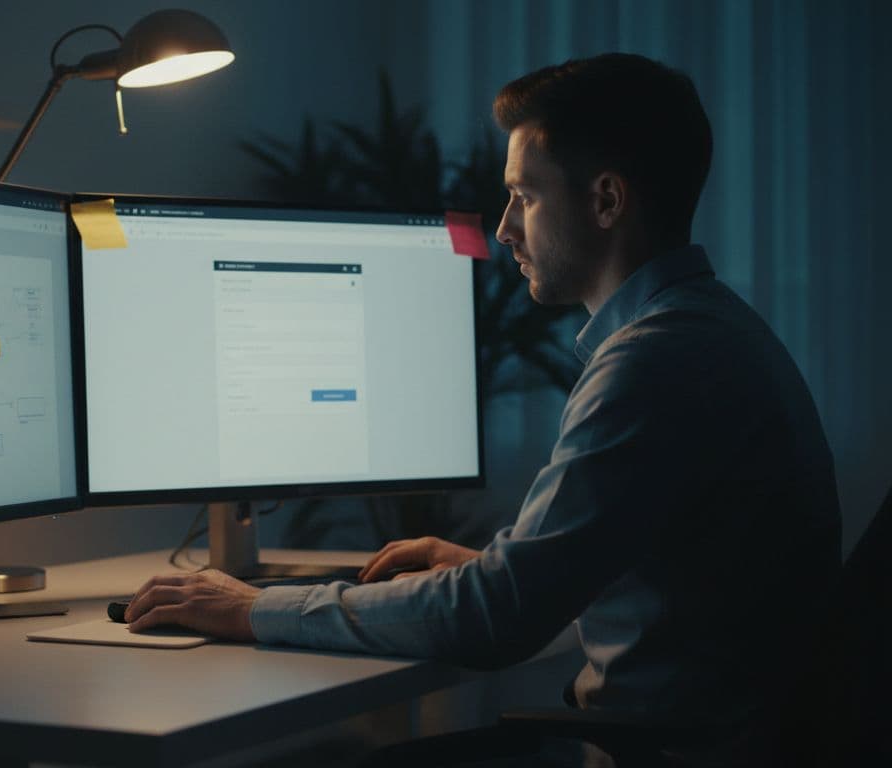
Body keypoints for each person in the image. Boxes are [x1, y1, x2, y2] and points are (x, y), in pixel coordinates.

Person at [125, 52, 841, 760]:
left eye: (524, 196)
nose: (503, 229)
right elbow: (649, 576)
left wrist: (252, 608)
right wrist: (486, 568)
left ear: (606, 201)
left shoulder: (654, 360)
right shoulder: (708, 328)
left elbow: (497, 621)